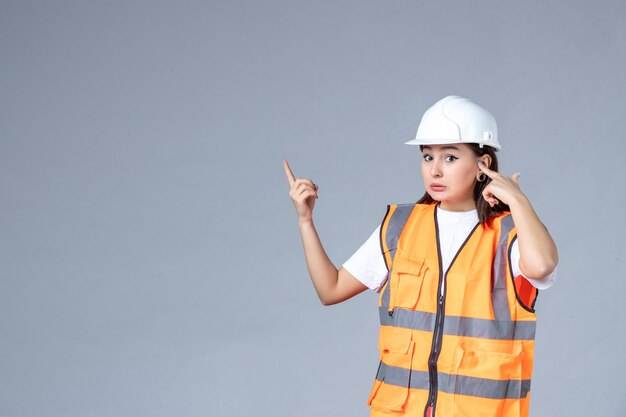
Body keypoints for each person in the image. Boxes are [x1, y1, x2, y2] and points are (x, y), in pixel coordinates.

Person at [283, 95, 558, 417]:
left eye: (451, 158)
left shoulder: (510, 233)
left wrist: (518, 201)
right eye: (427, 157)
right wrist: (305, 221)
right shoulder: (400, 227)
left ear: (482, 163)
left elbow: (541, 266)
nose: (436, 170)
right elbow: (330, 290)